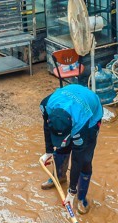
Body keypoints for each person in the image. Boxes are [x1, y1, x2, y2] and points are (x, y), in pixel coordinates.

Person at [39, 84, 103, 215]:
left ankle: (81, 197)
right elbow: (46, 127)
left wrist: (71, 191)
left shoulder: (81, 121)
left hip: (90, 115)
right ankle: (59, 177)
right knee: (62, 147)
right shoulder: (47, 106)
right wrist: (48, 151)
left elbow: (77, 159)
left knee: (85, 159)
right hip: (69, 99)